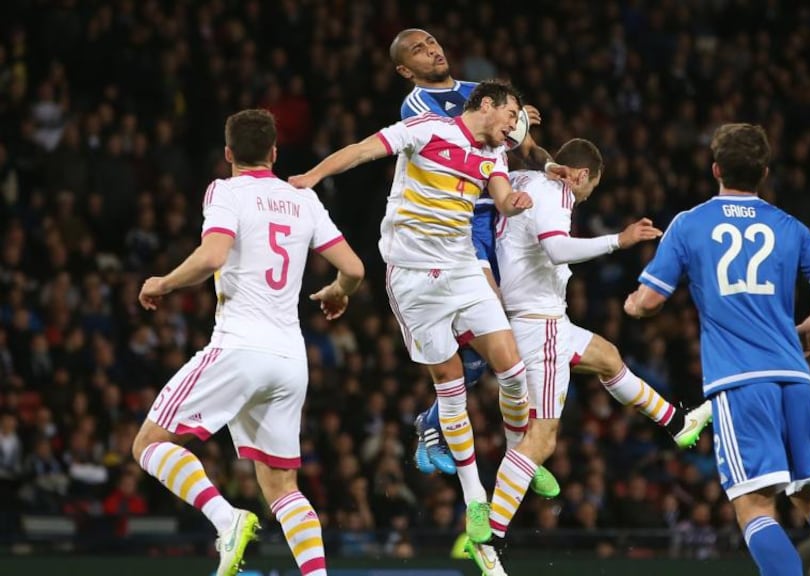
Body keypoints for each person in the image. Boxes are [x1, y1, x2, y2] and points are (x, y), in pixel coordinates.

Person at [288, 80, 533, 564]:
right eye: (511, 114)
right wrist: (312, 176)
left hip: (463, 269)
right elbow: (362, 150)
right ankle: (475, 500)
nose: (514, 125)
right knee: (451, 387)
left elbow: (502, 196)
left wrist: (513, 204)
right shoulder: (427, 129)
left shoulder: (495, 154)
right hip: (414, 278)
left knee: (514, 370)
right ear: (485, 104)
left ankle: (518, 461)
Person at [623, 123, 810, 576]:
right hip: (793, 376)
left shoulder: (690, 223)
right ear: (765, 173)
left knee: (753, 504)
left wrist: (633, 304)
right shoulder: (788, 225)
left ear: (715, 168)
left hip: (740, 382)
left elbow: (650, 301)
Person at [132, 109, 365, 576]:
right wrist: (339, 293)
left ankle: (226, 518)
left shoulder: (226, 191)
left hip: (240, 347)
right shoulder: (303, 198)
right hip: (290, 359)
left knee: (149, 444)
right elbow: (355, 269)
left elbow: (212, 254)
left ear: (227, 154)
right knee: (282, 486)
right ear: (275, 154)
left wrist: (164, 282)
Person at [473, 138, 714, 566]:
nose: (586, 197)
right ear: (582, 176)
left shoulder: (527, 178)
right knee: (541, 441)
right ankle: (488, 539)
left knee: (608, 356)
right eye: (590, 188)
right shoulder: (557, 193)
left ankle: (676, 423)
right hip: (538, 326)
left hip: (546, 318)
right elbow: (556, 248)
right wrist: (617, 241)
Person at [389, 28, 561, 479]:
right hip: (457, 226)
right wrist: (508, 124)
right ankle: (435, 423)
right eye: (418, 51)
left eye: (432, 43)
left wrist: (544, 161)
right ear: (406, 70)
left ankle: (502, 445)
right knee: (493, 330)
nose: (432, 51)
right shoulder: (417, 108)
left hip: (497, 218)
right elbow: (477, 140)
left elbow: (520, 143)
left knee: (503, 340)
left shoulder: (478, 95)